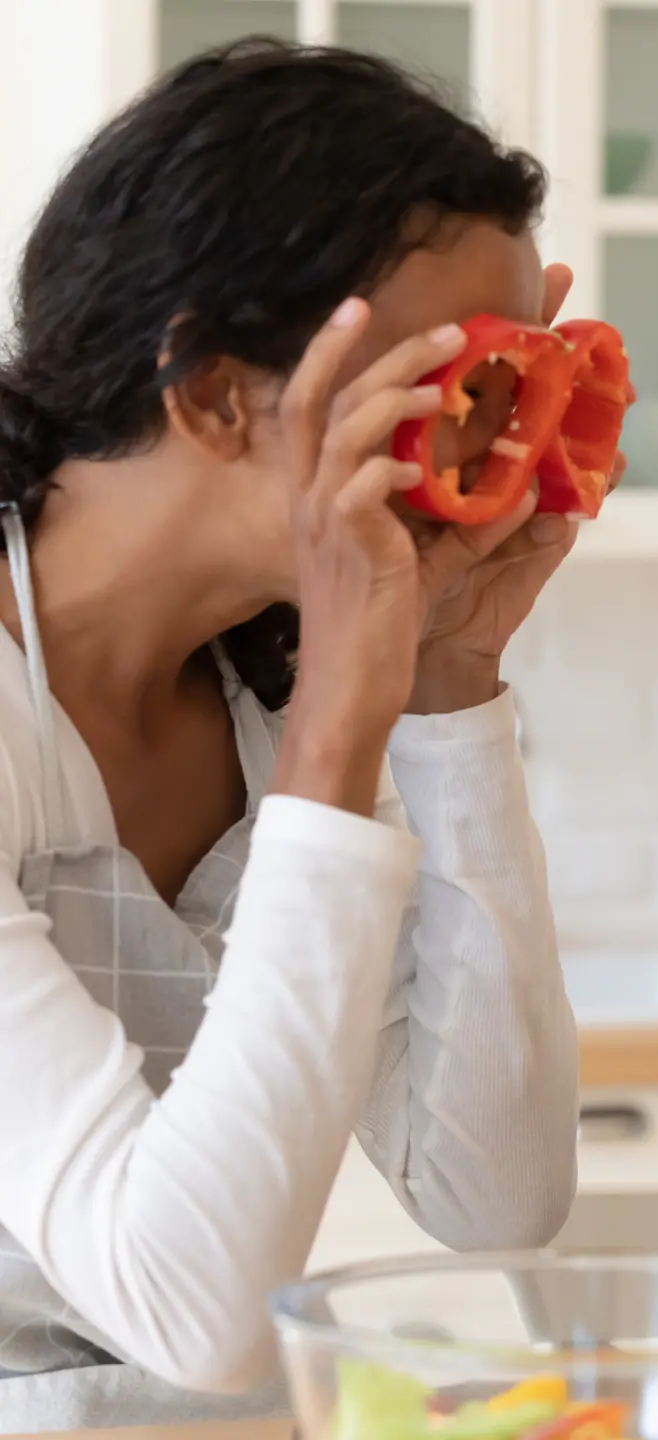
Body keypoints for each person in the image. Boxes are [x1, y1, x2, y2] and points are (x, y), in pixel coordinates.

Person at [0, 40, 582, 1429]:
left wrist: (448, 684)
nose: (494, 442)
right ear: (211, 390)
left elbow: (496, 1195)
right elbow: (190, 1303)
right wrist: (340, 736)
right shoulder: (304, 718)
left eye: (513, 383)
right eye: (447, 384)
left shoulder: (266, 690)